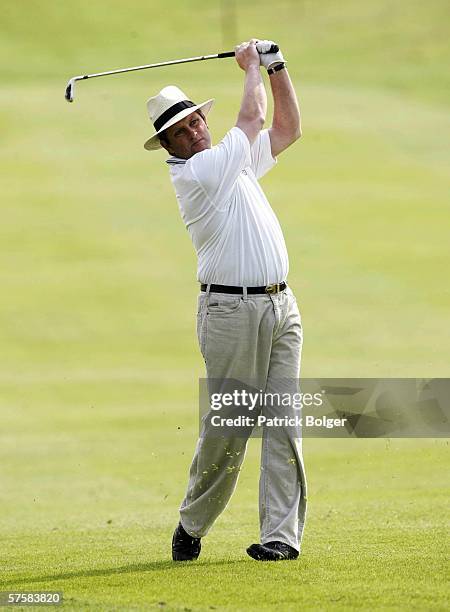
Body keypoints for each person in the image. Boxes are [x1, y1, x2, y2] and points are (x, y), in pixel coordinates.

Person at [143, 39, 307, 561]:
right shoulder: (197, 174)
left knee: (283, 422)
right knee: (230, 429)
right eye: (180, 131)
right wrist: (251, 68)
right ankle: (192, 523)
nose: (193, 131)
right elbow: (254, 118)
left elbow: (287, 130)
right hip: (230, 312)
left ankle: (280, 537)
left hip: (282, 307)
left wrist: (277, 66)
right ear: (167, 144)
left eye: (194, 121)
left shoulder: (229, 162)